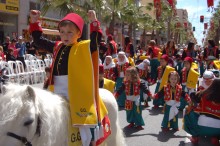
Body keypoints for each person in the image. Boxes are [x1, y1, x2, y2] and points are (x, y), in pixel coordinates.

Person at [29, 9, 110, 146]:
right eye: (62, 32)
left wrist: (94, 22)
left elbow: (95, 40)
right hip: (55, 88)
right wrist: (34, 21)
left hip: (76, 90)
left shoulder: (83, 46)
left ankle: (88, 142)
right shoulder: (57, 46)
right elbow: (38, 40)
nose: (65, 35)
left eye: (70, 32)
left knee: (83, 122)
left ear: (78, 33)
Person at [184, 79, 220, 145]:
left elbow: (192, 95)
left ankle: (195, 137)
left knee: (188, 110)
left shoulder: (203, 94)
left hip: (202, 127)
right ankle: (216, 137)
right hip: (219, 129)